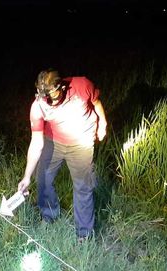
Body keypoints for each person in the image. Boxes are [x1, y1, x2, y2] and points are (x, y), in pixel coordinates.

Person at [18, 68, 107, 241]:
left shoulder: (82, 85)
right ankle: (49, 215)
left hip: (81, 142)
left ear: (62, 87)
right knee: (42, 178)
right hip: (54, 142)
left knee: (83, 186)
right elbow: (36, 142)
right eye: (44, 96)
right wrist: (26, 176)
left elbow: (96, 103)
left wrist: (102, 123)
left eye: (52, 95)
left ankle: (84, 234)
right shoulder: (38, 105)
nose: (48, 101)